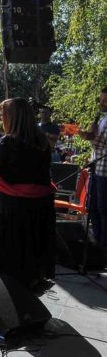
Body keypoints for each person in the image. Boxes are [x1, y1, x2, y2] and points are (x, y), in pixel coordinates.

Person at [0, 98, 56, 289]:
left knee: (10, 256)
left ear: (12, 118)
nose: (1, 119)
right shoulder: (43, 143)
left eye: (3, 115)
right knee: (32, 250)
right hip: (40, 207)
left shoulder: (8, 143)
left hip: (12, 208)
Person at [81, 86, 107, 251]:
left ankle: (104, 249)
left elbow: (103, 145)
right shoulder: (103, 118)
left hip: (105, 173)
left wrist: (88, 136)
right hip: (97, 169)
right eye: (101, 99)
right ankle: (97, 245)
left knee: (104, 210)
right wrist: (88, 134)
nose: (103, 103)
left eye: (106, 100)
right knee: (93, 207)